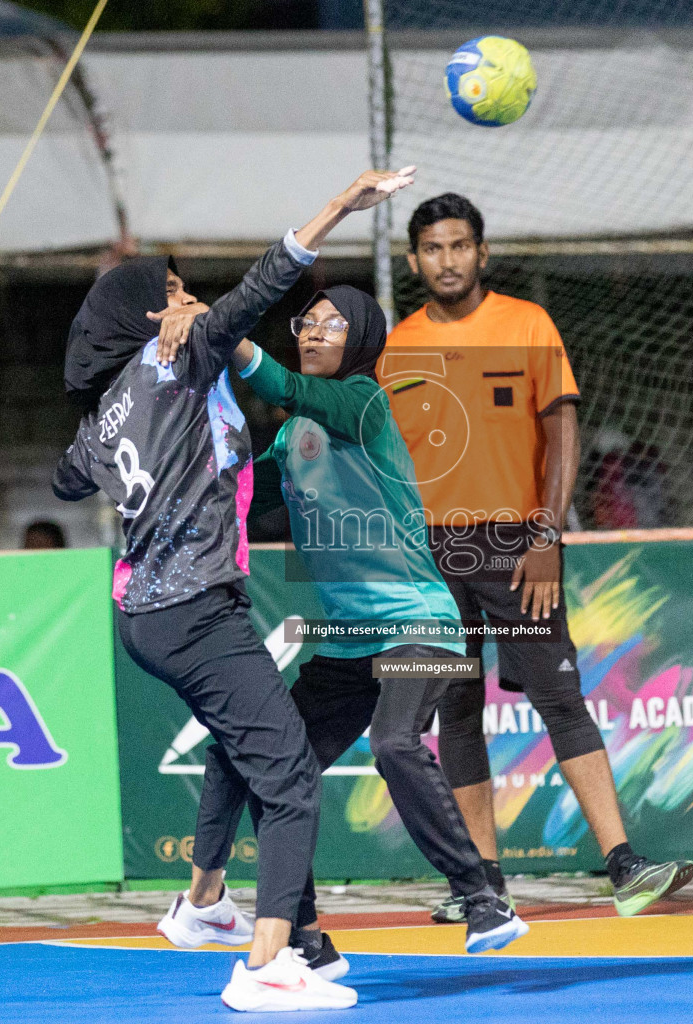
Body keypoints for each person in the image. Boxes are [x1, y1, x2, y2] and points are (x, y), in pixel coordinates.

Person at [52, 166, 415, 1013]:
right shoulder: (183, 354)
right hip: (191, 609)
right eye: (176, 290)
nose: (191, 298)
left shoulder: (112, 403)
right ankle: (265, 966)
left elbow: (68, 477)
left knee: (238, 746)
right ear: (153, 315)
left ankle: (204, 903)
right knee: (288, 774)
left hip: (147, 612)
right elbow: (264, 284)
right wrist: (336, 209)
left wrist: (121, 426)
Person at [163, 286, 527, 975]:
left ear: (360, 338)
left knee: (394, 742)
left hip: (422, 626)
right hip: (345, 643)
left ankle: (482, 897)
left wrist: (219, 327)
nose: (314, 331)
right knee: (275, 766)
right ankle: (302, 936)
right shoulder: (291, 439)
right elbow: (232, 497)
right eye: (307, 322)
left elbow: (277, 380)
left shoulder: (363, 400)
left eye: (332, 324)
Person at [385, 193, 693, 922]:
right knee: (456, 711)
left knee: (560, 699)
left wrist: (547, 535)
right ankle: (481, 880)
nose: (448, 260)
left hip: (515, 547)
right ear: (413, 261)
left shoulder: (528, 324)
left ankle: (624, 866)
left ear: (482, 253)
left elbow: (561, 435)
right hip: (431, 554)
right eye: (433, 249)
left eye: (460, 246)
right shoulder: (397, 347)